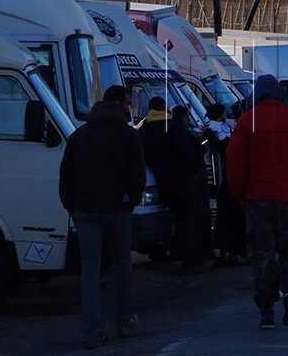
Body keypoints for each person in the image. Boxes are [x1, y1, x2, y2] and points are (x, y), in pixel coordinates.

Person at [226, 74, 288, 330]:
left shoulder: (248, 121)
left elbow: (234, 161)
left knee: (263, 254)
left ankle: (266, 311)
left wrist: (239, 194)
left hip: (258, 199)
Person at [59, 85, 146, 348]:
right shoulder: (128, 136)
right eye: (129, 103)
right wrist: (130, 201)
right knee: (122, 263)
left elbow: (66, 175)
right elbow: (137, 175)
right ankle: (124, 320)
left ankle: (93, 330)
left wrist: (72, 206)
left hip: (84, 210)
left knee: (90, 268)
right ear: (121, 103)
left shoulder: (79, 136)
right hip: (117, 210)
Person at [138, 98, 206, 272]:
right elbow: (187, 153)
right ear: (163, 107)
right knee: (187, 221)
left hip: (162, 181)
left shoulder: (144, 129)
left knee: (174, 219)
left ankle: (172, 252)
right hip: (182, 181)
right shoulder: (172, 127)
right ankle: (191, 260)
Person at [207, 104, 247, 265]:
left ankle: (231, 251)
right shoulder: (214, 129)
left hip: (230, 178)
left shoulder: (225, 127)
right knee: (230, 216)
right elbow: (224, 147)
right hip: (228, 178)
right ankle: (232, 251)